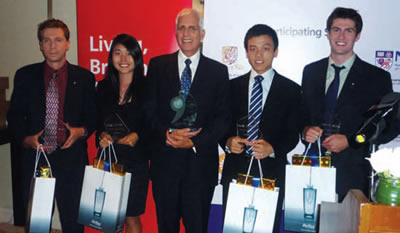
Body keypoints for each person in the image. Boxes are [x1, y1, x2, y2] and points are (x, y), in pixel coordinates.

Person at [144, 8, 230, 233]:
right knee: (166, 227)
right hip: (165, 166)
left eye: (192, 28)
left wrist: (194, 141)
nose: (186, 33)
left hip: (200, 168)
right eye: (181, 28)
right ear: (175, 32)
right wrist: (167, 134)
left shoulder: (218, 71)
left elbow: (222, 118)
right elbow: (148, 110)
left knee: (197, 227)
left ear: (202, 34)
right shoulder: (157, 66)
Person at [7, 19, 96, 233]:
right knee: (38, 224)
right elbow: (15, 116)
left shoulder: (84, 78)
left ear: (68, 43)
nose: (52, 45)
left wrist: (81, 131)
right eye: (46, 40)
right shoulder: (24, 75)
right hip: (36, 158)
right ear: (40, 44)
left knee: (73, 222)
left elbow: (93, 116)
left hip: (71, 158)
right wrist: (26, 139)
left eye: (58, 40)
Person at [301, 7, 394, 201]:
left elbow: (388, 127)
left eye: (348, 30)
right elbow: (301, 114)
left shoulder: (377, 78)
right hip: (312, 169)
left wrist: (352, 140)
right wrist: (305, 129)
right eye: (336, 29)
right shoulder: (311, 72)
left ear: (357, 36)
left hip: (354, 174)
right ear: (327, 33)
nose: (341, 36)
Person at [221, 24, 301, 232]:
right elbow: (220, 125)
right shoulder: (230, 87)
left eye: (265, 48)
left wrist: (273, 148)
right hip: (235, 171)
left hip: (271, 173)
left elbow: (293, 133)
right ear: (246, 52)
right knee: (233, 228)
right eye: (252, 48)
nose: (258, 54)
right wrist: (228, 142)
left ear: (275, 51)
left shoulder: (291, 90)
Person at [96, 33, 149, 233]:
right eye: (118, 53)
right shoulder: (102, 87)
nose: (124, 59)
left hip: (136, 160)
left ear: (137, 57)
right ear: (111, 57)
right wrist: (100, 135)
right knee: (109, 215)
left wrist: (139, 136)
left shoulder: (148, 86)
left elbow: (152, 123)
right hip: (109, 157)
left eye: (129, 54)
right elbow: (97, 121)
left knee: (131, 216)